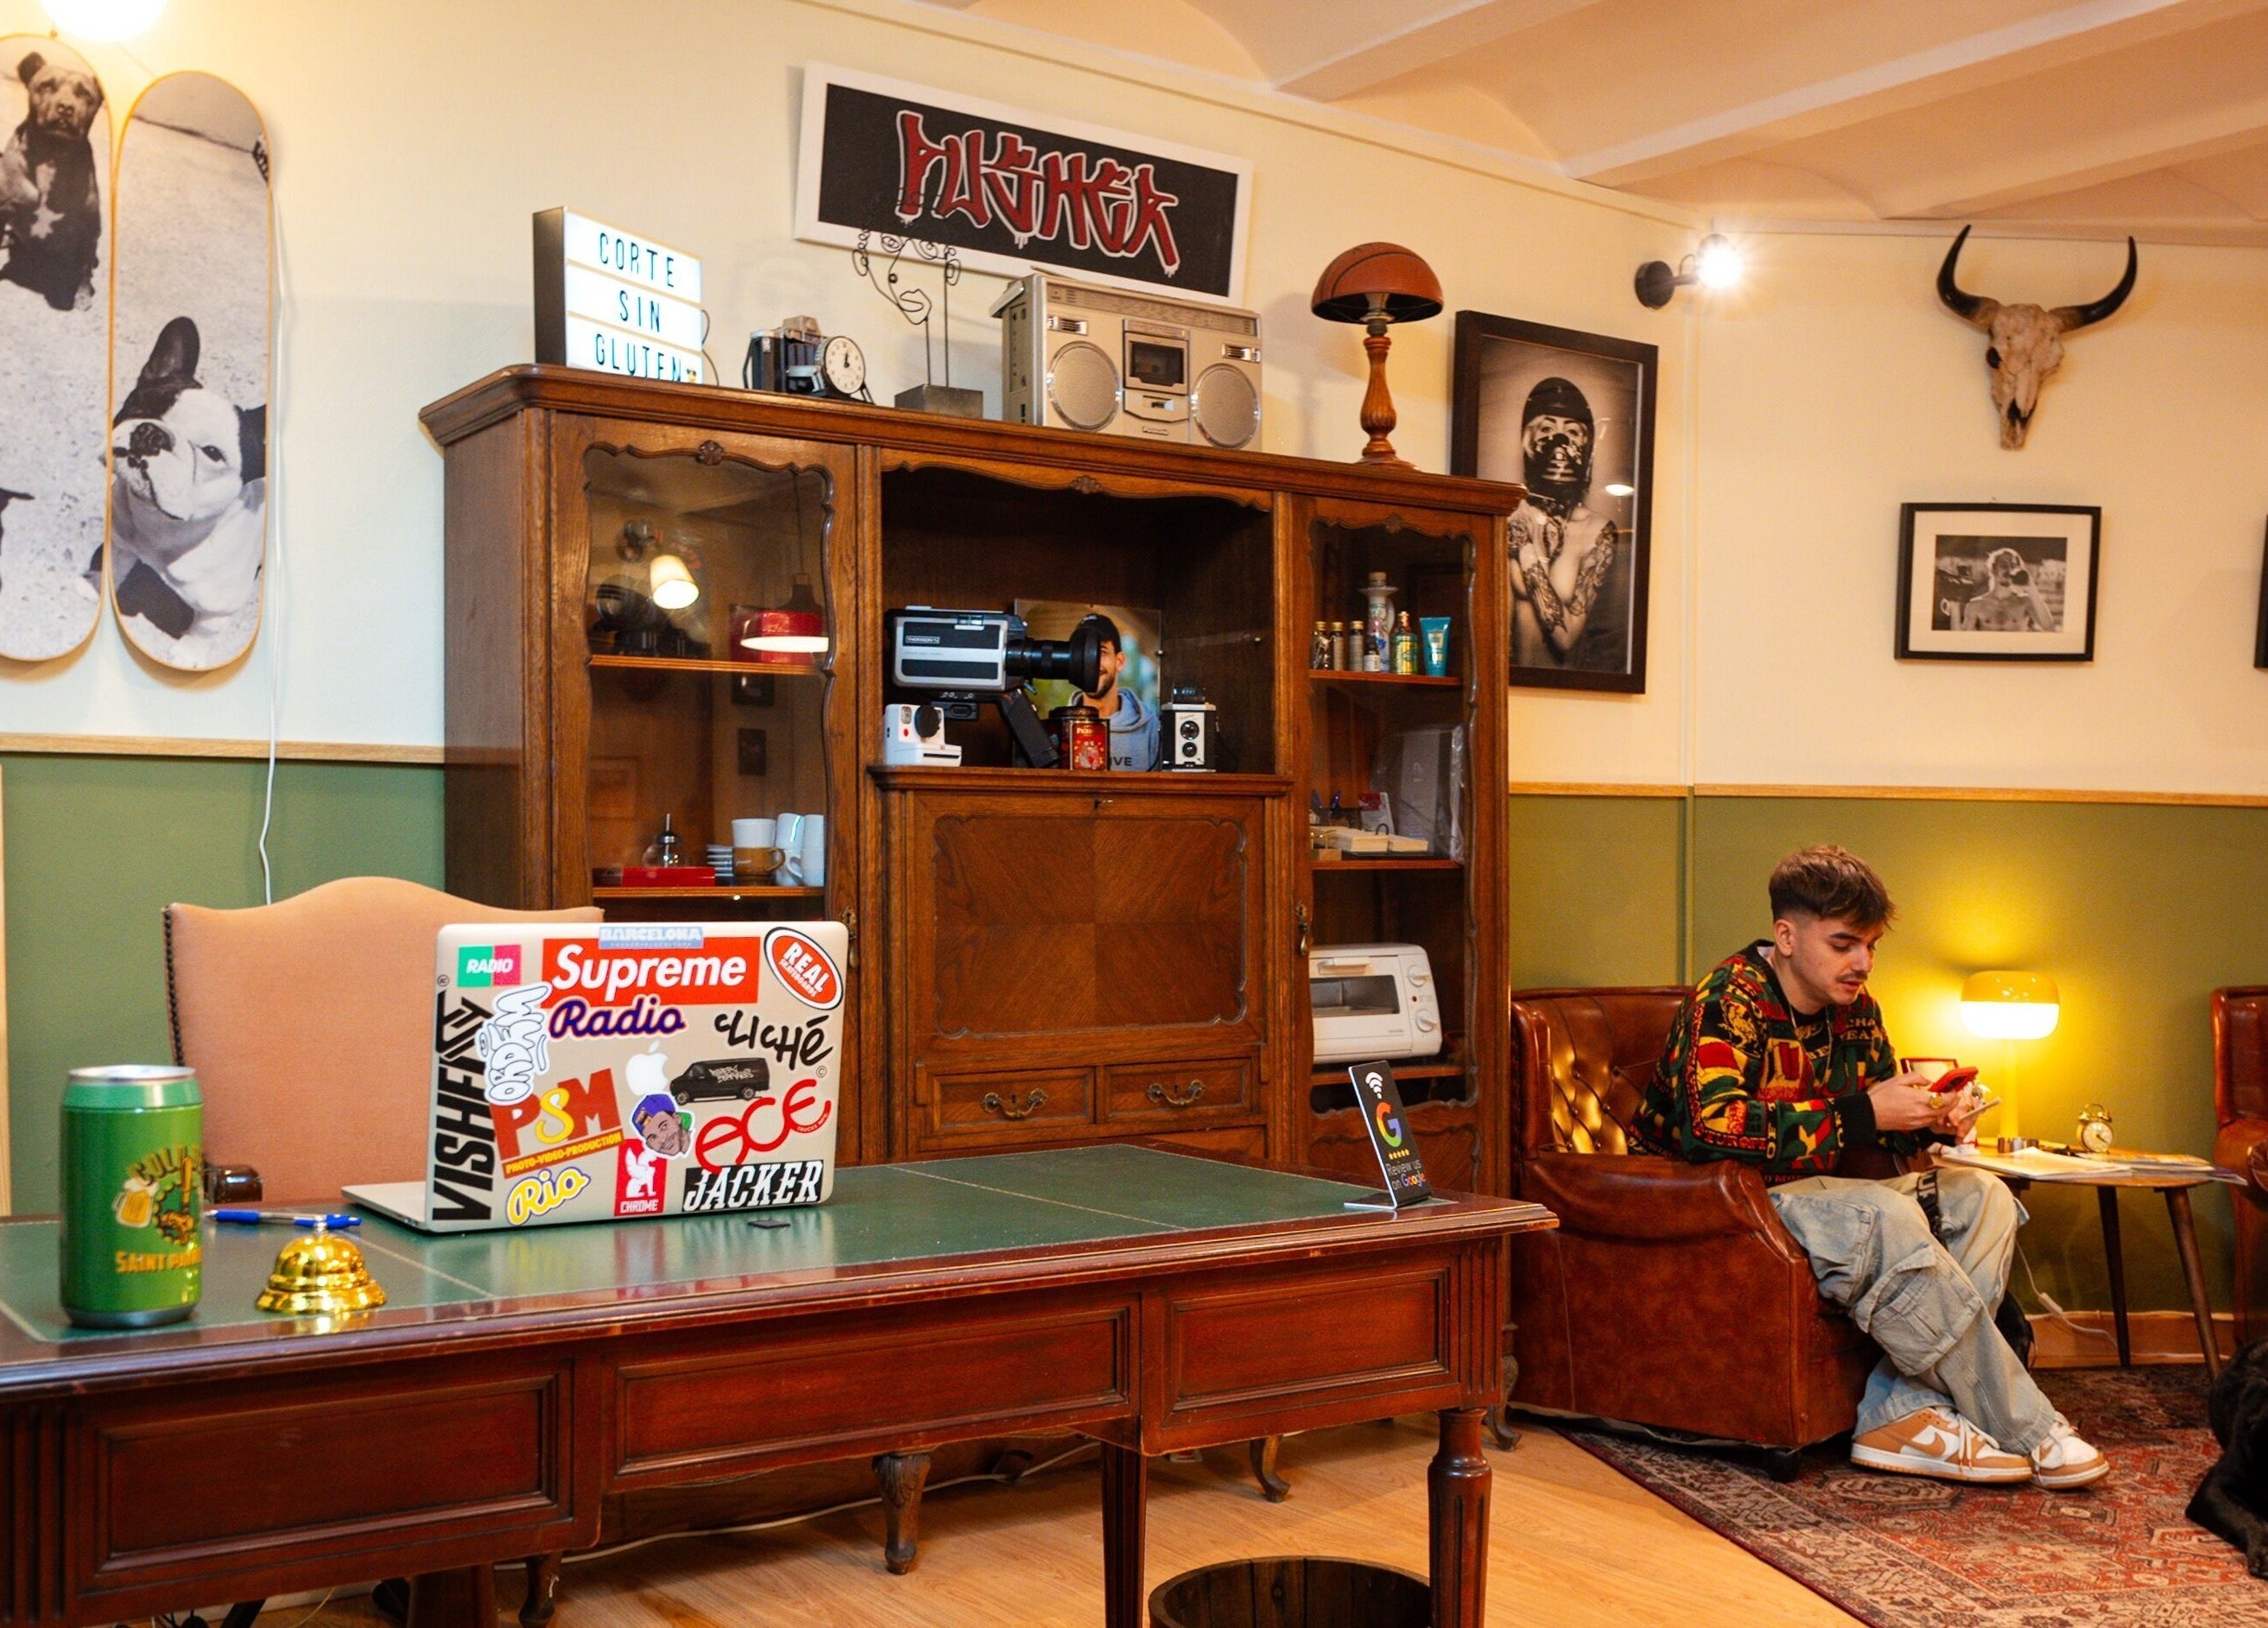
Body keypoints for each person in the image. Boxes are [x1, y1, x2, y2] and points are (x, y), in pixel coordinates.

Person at [1631, 846, 2108, 1489]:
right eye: (1845, 943)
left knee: (1982, 1194)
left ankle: (1902, 1415)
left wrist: (1933, 1116)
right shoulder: (1728, 999)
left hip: (1829, 1194)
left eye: (1872, 945)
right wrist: (1865, 1112)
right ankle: (2033, 1427)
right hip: (1727, 1202)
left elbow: (1882, 1109)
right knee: (1882, 1209)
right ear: (1788, 935)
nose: (1862, 963)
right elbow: (1714, 1129)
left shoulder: (1857, 1009)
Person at [1507, 376, 1625, 673]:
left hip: (1569, 692)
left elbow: (1567, 637)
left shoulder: (1598, 531)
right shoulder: (1507, 513)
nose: (1559, 442)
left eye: (1571, 432)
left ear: (1585, 443)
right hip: (1511, 692)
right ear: (1530, 437)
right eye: (1547, 428)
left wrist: (1526, 554)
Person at [1075, 613, 1158, 771]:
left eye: (1101, 652)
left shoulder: (1151, 730)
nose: (1091, 663)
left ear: (1119, 662)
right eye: (1084, 652)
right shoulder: (1057, 731)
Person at [1954, 546, 2055, 632]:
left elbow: (2049, 628)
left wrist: (2030, 587)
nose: (2009, 570)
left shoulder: (2025, 602)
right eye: (2004, 565)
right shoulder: (1975, 605)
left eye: (2013, 566)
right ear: (1993, 569)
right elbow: (1963, 638)